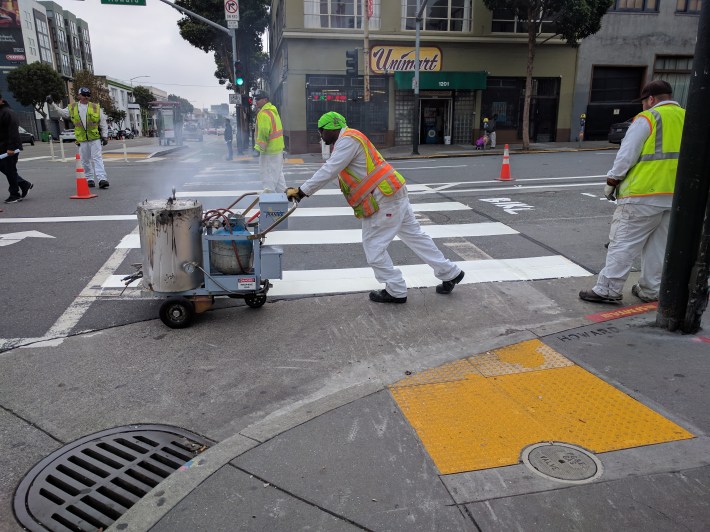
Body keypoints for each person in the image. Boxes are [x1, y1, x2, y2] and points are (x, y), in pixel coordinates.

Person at [286, 112, 465, 304]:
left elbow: (329, 170)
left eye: (321, 131)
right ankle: (450, 272)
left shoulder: (347, 141)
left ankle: (395, 289)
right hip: (394, 191)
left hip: (384, 198)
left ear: (331, 128)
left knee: (373, 247)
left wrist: (302, 191)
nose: (321, 136)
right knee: (416, 237)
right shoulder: (353, 136)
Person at [579, 80, 685, 304]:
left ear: (652, 99)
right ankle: (650, 290)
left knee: (624, 242)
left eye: (645, 102)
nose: (644, 105)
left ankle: (608, 289)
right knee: (658, 246)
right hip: (675, 196)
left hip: (643, 194)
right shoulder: (687, 117)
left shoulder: (648, 118)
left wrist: (612, 180)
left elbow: (627, 155)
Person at [47, 87, 110, 189]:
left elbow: (103, 122)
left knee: (97, 158)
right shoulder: (73, 107)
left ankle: (102, 179)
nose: (86, 97)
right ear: (79, 96)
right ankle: (90, 179)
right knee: (85, 160)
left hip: (94, 138)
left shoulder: (95, 107)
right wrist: (52, 104)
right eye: (84, 95)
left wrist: (105, 136)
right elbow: (62, 112)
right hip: (82, 139)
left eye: (88, 95)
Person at [0, 92, 33, 203]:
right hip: (2, 147)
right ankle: (24, 184)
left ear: (1, 100)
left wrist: (11, 148)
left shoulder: (8, 112)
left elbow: (13, 131)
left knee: (10, 170)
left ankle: (15, 194)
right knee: (7, 170)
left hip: (10, 147)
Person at [253, 90, 286, 192]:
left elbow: (263, 131)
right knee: (278, 178)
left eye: (258, 99)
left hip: (268, 152)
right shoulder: (273, 112)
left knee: (268, 181)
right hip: (278, 151)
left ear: (265, 100)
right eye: (255, 99)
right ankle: (285, 199)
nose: (256, 101)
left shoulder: (263, 113)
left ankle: (271, 206)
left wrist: (259, 148)